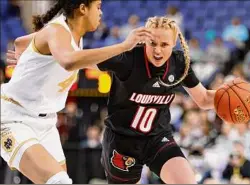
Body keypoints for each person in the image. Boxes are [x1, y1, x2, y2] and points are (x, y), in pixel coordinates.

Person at [1, 0, 153, 184]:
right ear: (82, 8)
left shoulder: (74, 38)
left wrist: (24, 55)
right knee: (59, 181)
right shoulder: (57, 30)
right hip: (14, 117)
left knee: (60, 180)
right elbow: (69, 61)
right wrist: (123, 46)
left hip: (46, 123)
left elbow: (19, 42)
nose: (101, 13)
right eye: (98, 7)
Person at [96, 16, 241, 184]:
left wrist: (231, 94)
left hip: (157, 138)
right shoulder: (128, 58)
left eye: (164, 45)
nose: (158, 50)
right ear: (144, 41)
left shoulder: (179, 62)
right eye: (153, 44)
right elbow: (85, 61)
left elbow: (203, 99)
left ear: (173, 44)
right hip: (122, 141)